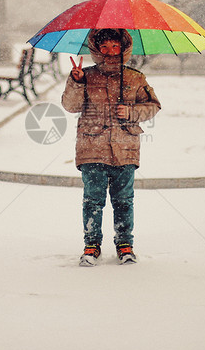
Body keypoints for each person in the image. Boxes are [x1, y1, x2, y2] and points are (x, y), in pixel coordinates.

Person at [61, 28, 161, 266]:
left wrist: (131, 112)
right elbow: (70, 106)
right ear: (96, 49)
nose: (109, 52)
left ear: (123, 48)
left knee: (124, 200)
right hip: (91, 147)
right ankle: (91, 245)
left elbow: (153, 106)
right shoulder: (84, 76)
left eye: (115, 47)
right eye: (104, 47)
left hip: (125, 148)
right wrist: (76, 82)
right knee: (93, 200)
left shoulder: (135, 78)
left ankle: (125, 244)